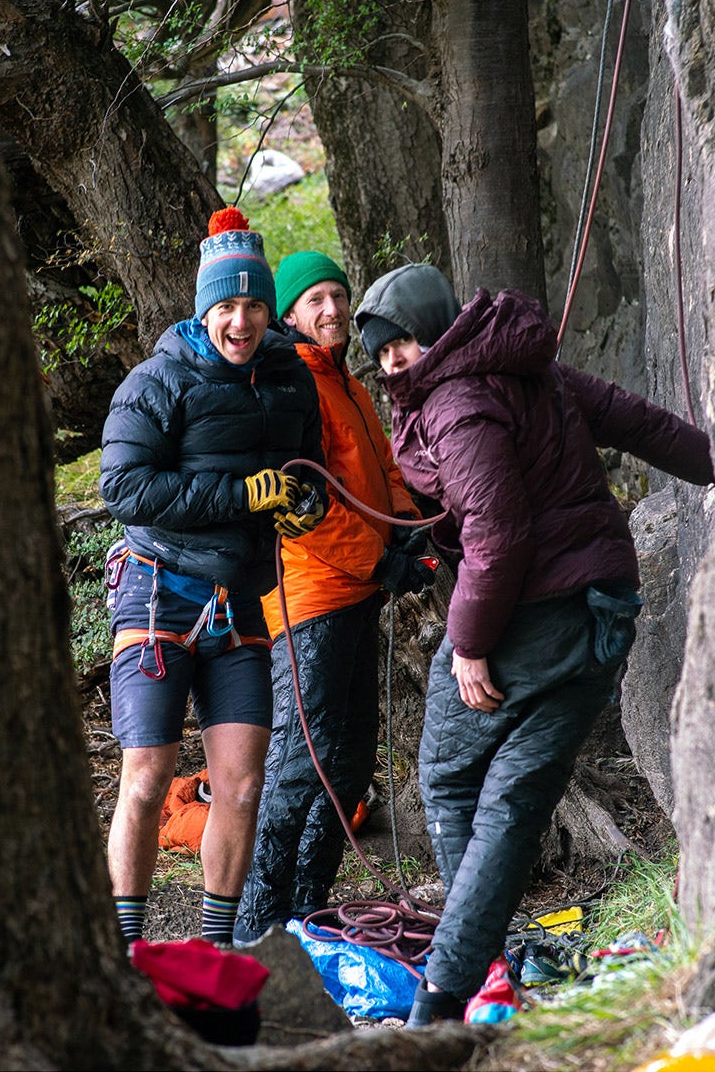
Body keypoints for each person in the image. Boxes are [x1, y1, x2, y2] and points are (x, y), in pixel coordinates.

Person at [354, 263, 715, 1025]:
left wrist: (471, 642)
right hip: (603, 608)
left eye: (402, 345)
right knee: (513, 794)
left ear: (436, 330)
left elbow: (497, 529)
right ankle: (456, 991)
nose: (393, 364)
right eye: (382, 355)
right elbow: (630, 418)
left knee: (448, 772)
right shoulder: (521, 366)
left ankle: (467, 979)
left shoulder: (456, 402)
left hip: (539, 610)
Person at [99, 208, 328, 946]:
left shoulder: (294, 381)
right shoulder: (159, 379)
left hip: (240, 601)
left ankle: (214, 947)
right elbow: (125, 488)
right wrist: (240, 495)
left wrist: (302, 505)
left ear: (269, 309)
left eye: (254, 305)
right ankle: (127, 948)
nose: (241, 320)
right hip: (158, 588)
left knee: (241, 782)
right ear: (205, 310)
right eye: (226, 306)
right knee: (145, 773)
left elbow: (308, 472)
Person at [231, 252, 436, 944]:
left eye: (338, 295)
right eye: (316, 299)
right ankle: (256, 924)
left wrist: (408, 535)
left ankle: (306, 909)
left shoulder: (342, 376)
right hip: (310, 598)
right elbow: (304, 509)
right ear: (289, 314)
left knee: (345, 763)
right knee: (300, 763)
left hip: (356, 592)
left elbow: (380, 465)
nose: (332, 309)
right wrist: (381, 559)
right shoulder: (292, 382)